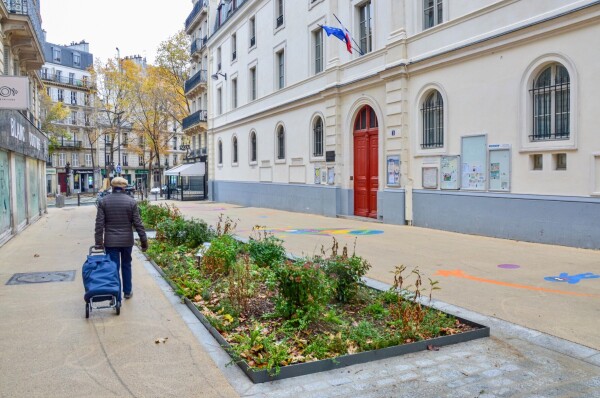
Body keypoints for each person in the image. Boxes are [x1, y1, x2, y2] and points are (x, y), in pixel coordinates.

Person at [94, 176, 148, 299]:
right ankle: (127, 292)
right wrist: (144, 241)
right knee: (126, 265)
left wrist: (98, 242)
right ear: (124, 187)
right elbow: (138, 223)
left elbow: (99, 224)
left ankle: (115, 294)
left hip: (110, 241)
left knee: (113, 268)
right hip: (126, 241)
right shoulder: (131, 202)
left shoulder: (104, 201)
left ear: (112, 187)